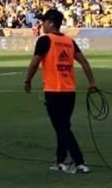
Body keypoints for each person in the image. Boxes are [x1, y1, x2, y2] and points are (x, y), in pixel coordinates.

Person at [24, 9, 98, 174]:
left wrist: (27, 79)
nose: (41, 24)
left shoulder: (45, 40)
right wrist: (92, 82)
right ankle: (60, 160)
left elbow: (35, 63)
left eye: (43, 21)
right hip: (69, 90)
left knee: (62, 127)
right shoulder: (69, 41)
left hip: (53, 90)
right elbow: (84, 62)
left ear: (51, 23)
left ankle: (79, 161)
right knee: (63, 126)